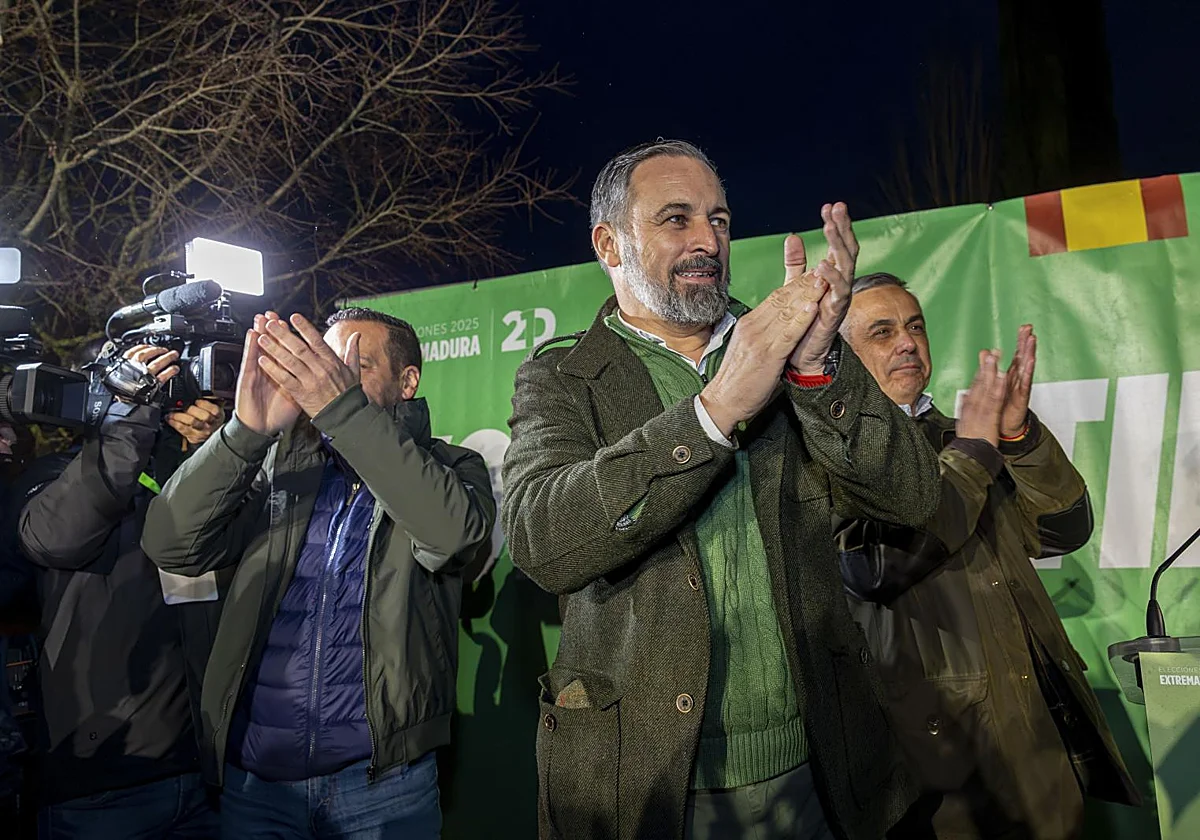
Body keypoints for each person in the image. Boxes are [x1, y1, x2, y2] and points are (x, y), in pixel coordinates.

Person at [500, 140, 943, 840]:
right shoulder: (560, 378)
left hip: (823, 770)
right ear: (610, 245)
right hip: (651, 786)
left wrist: (816, 369)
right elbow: (542, 540)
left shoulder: (790, 344)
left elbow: (912, 497)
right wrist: (714, 410)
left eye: (720, 220)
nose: (708, 240)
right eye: (676, 219)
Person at [142, 307, 496, 839]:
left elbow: (452, 537)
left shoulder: (451, 467)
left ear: (407, 382)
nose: (329, 376)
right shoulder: (275, 469)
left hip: (383, 786)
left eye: (356, 364)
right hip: (255, 785)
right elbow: (171, 545)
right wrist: (245, 433)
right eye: (324, 362)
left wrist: (342, 412)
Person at [836, 272, 1140, 839]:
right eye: (882, 332)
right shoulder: (834, 455)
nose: (907, 342)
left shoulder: (963, 437)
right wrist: (974, 454)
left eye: (915, 327)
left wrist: (1018, 438)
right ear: (842, 357)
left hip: (1037, 737)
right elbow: (876, 567)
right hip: (940, 762)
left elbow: (1062, 529)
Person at [16, 343, 225, 839]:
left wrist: (218, 452)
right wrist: (128, 421)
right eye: (141, 384)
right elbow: (57, 538)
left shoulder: (185, 470)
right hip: (100, 782)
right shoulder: (53, 476)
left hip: (203, 772)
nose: (157, 396)